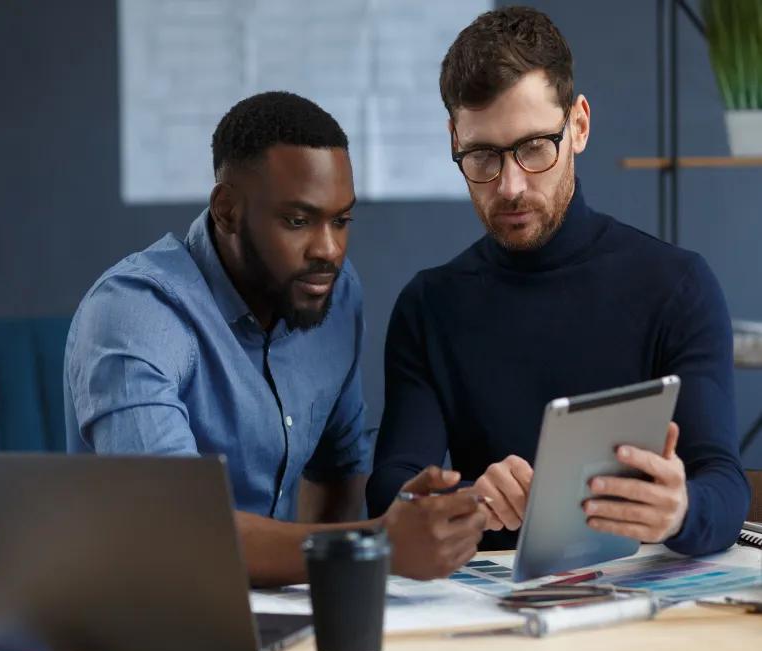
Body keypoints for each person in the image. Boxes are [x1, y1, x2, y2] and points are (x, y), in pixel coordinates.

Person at [367, 7, 749, 555]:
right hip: (489, 610)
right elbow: (389, 490)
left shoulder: (677, 287)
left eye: (534, 147)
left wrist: (682, 508)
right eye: (482, 157)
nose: (511, 186)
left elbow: (724, 483)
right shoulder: (430, 306)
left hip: (639, 604)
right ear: (454, 138)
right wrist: (472, 498)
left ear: (579, 126)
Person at [64, 91, 486, 586]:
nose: (328, 250)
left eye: (341, 220)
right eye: (297, 220)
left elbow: (340, 471)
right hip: (146, 620)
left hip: (278, 613)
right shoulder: (136, 313)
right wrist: (381, 544)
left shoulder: (334, 292)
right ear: (226, 210)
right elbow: (174, 529)